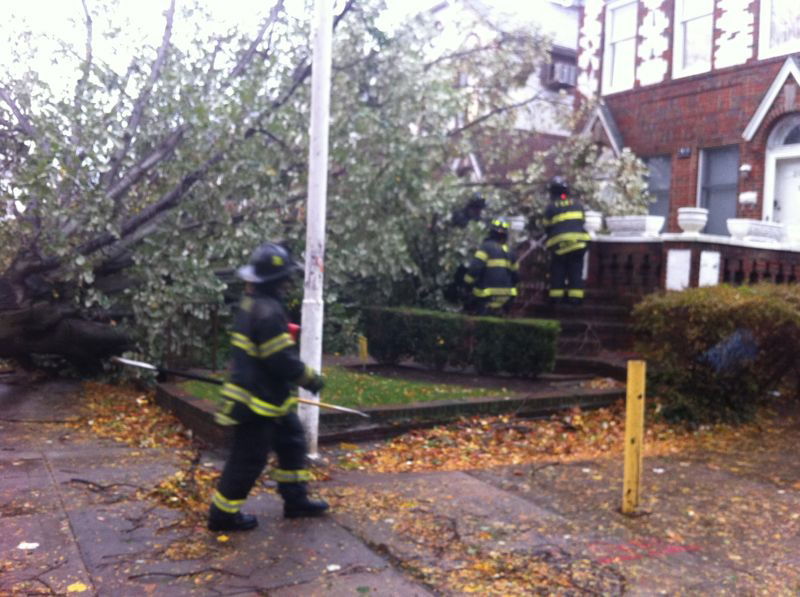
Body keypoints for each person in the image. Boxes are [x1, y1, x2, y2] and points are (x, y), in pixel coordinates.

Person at [208, 242, 328, 532]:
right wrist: (310, 379)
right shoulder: (268, 311)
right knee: (249, 460)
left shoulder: (255, 305)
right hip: (255, 402)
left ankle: (296, 500)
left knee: (292, 442)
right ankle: (222, 516)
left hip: (269, 397)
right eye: (285, 278)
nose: (288, 283)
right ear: (276, 281)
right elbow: (280, 360)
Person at [543, 176, 591, 305]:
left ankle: (556, 299)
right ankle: (575, 299)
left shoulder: (551, 207)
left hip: (559, 245)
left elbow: (547, 227)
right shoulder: (577, 204)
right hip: (579, 243)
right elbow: (582, 221)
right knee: (575, 270)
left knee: (558, 270)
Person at [463, 218, 518, 315]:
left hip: (486, 296)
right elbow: (516, 276)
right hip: (506, 297)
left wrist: (466, 285)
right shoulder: (511, 252)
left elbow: (475, 269)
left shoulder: (485, 247)